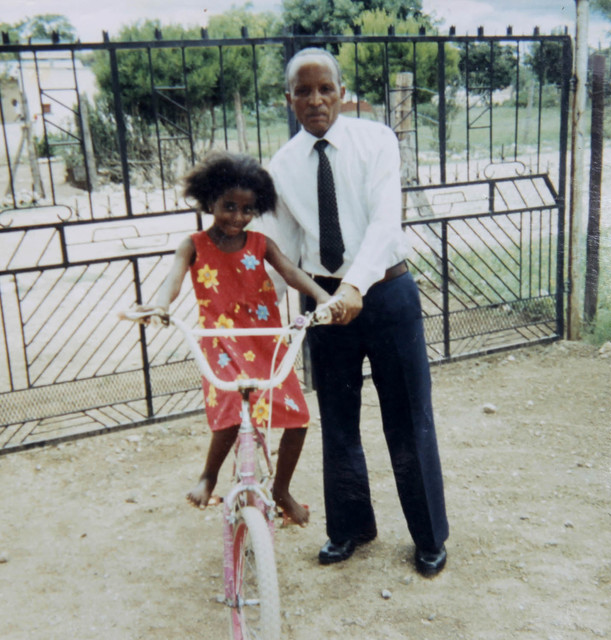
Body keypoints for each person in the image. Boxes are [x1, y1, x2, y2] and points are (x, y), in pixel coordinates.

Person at [261, 47, 449, 576]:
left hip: (386, 294)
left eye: (326, 89)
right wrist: (266, 311)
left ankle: (429, 535)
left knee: (409, 420)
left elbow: (387, 220)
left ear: (342, 92)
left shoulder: (376, 140)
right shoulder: (284, 164)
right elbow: (285, 247)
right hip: (323, 303)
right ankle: (349, 527)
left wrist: (356, 287)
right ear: (289, 98)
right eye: (304, 90)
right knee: (338, 421)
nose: (316, 100)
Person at [124, 151, 336, 527]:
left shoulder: (261, 244)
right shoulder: (193, 246)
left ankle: (281, 489)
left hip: (265, 340)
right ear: (209, 202)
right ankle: (209, 475)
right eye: (228, 206)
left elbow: (290, 272)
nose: (237, 217)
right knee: (230, 413)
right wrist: (160, 306)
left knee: (298, 419)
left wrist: (324, 299)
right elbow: (172, 280)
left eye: (247, 209)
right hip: (221, 343)